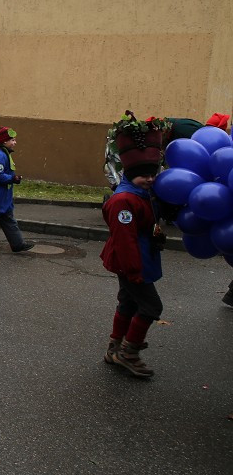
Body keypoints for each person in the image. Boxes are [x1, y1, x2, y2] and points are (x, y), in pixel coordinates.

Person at [99, 115, 168, 378]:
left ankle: (114, 349)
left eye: (153, 174)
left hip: (140, 257)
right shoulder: (123, 201)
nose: (150, 179)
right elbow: (124, 240)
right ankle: (129, 353)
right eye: (143, 175)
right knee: (151, 307)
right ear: (130, 173)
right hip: (131, 261)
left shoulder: (142, 193)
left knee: (128, 303)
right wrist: (134, 271)